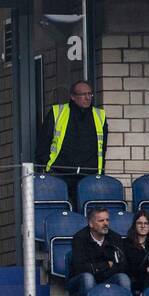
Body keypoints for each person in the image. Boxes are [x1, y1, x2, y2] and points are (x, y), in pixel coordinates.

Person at [36, 80, 109, 209]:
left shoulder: (99, 115)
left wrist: (100, 170)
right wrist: (46, 165)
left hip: (89, 173)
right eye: (83, 94)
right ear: (73, 97)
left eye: (90, 94)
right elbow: (43, 143)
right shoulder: (57, 112)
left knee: (89, 211)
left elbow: (102, 148)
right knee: (61, 210)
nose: (88, 98)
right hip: (60, 172)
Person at [67, 206, 131, 296]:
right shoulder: (79, 238)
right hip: (80, 279)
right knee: (88, 278)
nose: (106, 224)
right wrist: (107, 265)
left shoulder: (115, 237)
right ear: (91, 224)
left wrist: (97, 269)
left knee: (123, 278)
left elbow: (122, 266)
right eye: (101, 221)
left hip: (107, 278)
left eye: (107, 220)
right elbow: (80, 268)